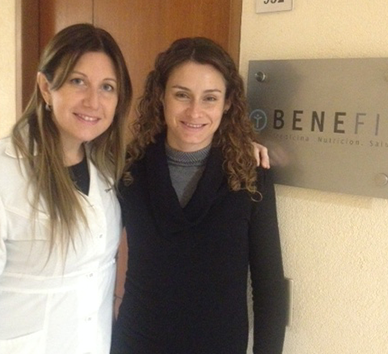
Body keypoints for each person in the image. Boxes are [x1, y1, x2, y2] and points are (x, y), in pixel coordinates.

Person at [111, 37, 286, 354]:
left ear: (227, 103)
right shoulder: (129, 170)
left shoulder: (248, 174)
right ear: (161, 95)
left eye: (210, 98)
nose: (195, 112)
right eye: (182, 95)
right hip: (136, 342)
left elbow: (269, 285)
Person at [0, 23, 133, 354]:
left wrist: (237, 149)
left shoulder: (108, 168)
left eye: (107, 87)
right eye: (78, 81)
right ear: (46, 87)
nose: (93, 101)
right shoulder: (6, 172)